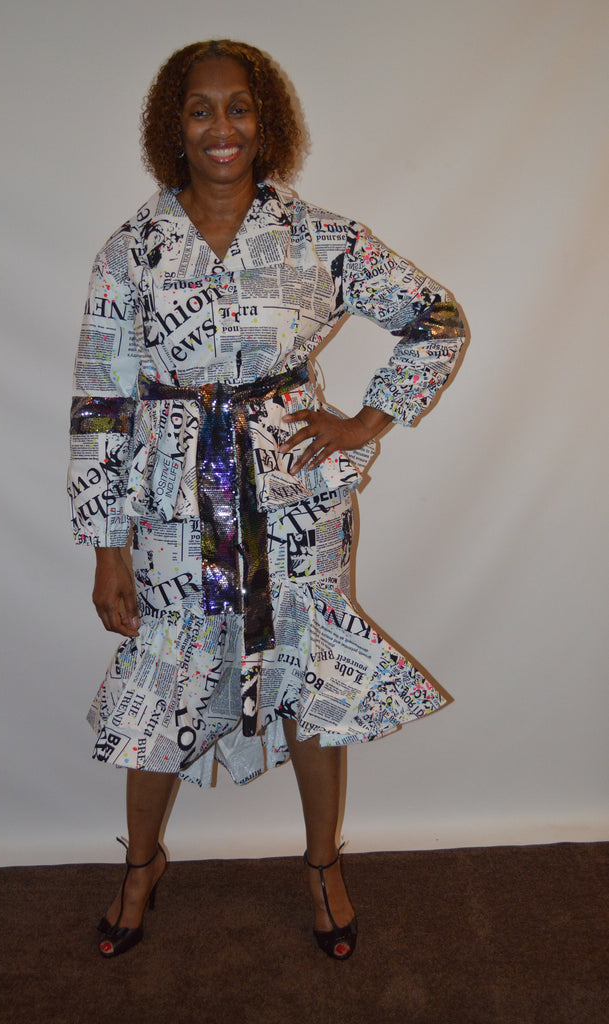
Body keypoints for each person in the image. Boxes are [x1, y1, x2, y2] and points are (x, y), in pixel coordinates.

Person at [68, 39, 465, 962]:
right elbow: (101, 402)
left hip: (292, 499)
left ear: (265, 121)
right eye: (200, 108)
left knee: (306, 677)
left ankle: (322, 867)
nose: (222, 127)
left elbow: (437, 319)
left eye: (238, 107)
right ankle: (140, 866)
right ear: (173, 127)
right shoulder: (131, 250)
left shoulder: (319, 238)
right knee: (162, 682)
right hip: (172, 505)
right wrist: (106, 546)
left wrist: (366, 420)